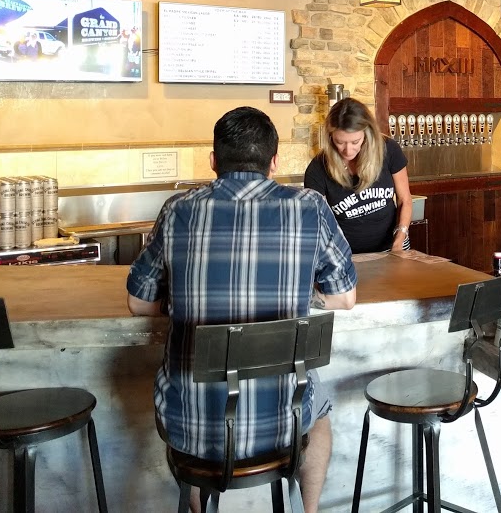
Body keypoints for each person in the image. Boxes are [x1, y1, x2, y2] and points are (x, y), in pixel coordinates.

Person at [127, 106, 357, 513]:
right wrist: (300, 293)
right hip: (285, 427)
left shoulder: (177, 209)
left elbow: (137, 303)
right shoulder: (310, 207)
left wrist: (180, 296)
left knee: (186, 433)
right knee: (318, 411)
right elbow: (344, 298)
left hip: (192, 428)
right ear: (274, 162)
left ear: (213, 160)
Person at [303, 97, 413, 254]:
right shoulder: (318, 169)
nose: (348, 150)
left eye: (355, 142)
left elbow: (405, 200)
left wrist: (399, 240)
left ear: (367, 134)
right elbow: (317, 222)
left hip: (394, 244)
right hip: (345, 253)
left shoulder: (388, 150)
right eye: (340, 142)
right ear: (330, 137)